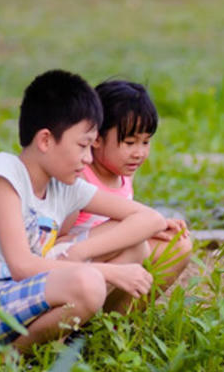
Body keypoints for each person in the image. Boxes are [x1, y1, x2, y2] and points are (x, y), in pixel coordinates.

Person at [0, 69, 166, 349]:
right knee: (88, 284)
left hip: (18, 300)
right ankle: (8, 358)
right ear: (45, 140)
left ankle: (56, 343)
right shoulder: (4, 173)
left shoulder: (65, 187)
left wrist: (82, 254)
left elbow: (148, 218)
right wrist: (109, 272)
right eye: (82, 146)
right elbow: (22, 266)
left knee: (133, 246)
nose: (88, 158)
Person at [52, 79, 192, 294]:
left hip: (111, 259)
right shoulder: (79, 178)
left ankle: (124, 311)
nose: (139, 153)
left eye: (146, 142)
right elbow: (54, 242)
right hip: (72, 266)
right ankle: (86, 305)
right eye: (129, 143)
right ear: (96, 138)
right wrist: (129, 231)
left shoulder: (124, 174)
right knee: (130, 235)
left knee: (178, 245)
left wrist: (154, 226)